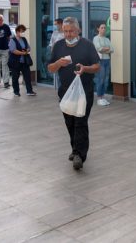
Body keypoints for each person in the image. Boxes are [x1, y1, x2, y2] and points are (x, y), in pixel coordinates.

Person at [48, 17, 100, 171]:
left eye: (71, 31)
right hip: (65, 92)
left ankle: (79, 155)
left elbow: (97, 66)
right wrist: (58, 63)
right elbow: (50, 68)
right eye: (65, 31)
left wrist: (85, 68)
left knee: (80, 122)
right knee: (70, 122)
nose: (68, 34)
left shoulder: (87, 45)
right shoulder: (58, 46)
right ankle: (75, 148)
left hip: (84, 91)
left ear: (78, 30)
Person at [8, 24, 36, 97]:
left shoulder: (24, 39)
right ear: (17, 31)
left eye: (23, 31)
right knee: (15, 77)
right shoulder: (12, 40)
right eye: (21, 31)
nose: (22, 33)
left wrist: (27, 50)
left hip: (24, 62)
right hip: (15, 62)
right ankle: (16, 92)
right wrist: (23, 53)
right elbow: (13, 50)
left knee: (27, 76)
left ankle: (29, 91)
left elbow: (29, 47)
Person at [93, 23, 113, 106]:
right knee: (100, 80)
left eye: (105, 28)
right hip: (100, 61)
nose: (103, 29)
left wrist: (104, 49)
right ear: (98, 29)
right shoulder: (96, 38)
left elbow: (112, 49)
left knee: (105, 80)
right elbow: (99, 48)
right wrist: (106, 49)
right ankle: (99, 98)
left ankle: (103, 97)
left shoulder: (107, 39)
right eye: (102, 28)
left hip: (107, 60)